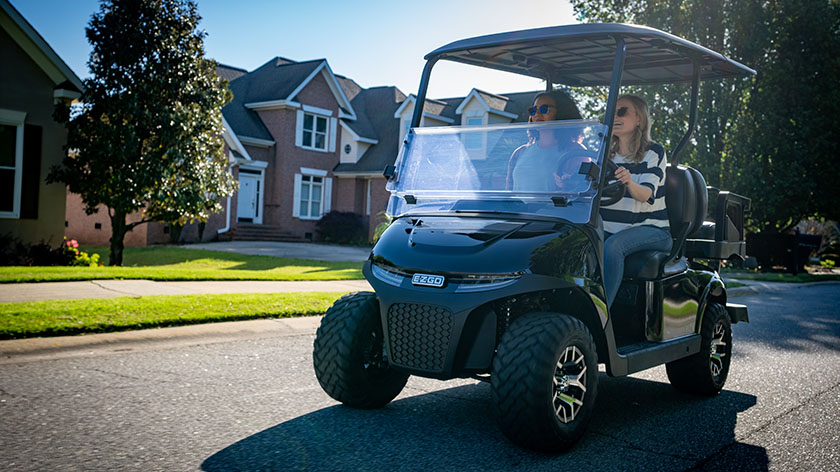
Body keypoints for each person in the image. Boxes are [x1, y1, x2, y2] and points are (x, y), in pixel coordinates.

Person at [600, 94, 671, 307]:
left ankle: (601, 316)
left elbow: (646, 195)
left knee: (613, 247)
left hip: (652, 229)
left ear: (639, 119)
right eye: (612, 111)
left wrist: (629, 182)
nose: (615, 116)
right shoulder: (605, 154)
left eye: (622, 111)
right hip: (610, 226)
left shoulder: (653, 152)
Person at [505, 90, 582, 190]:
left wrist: (567, 186)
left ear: (562, 112)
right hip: (519, 206)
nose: (537, 114)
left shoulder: (576, 152)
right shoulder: (519, 153)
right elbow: (509, 193)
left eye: (544, 109)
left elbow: (582, 193)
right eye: (533, 110)